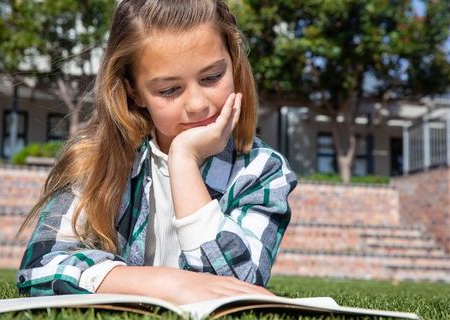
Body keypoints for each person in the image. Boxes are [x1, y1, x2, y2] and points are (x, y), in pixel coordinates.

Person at [17, 0, 297, 305]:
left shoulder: (261, 170)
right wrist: (166, 282)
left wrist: (184, 160)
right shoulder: (96, 160)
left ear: (233, 62)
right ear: (133, 91)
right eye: (168, 90)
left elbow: (236, 286)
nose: (197, 104)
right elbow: (39, 269)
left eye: (212, 77)